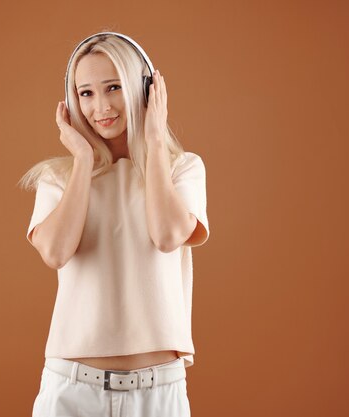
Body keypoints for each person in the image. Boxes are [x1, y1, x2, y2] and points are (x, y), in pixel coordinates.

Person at [18, 31, 210, 417]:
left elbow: (168, 234)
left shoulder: (182, 169)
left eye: (114, 87)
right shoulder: (58, 178)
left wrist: (155, 141)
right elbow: (55, 252)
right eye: (85, 93)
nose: (100, 106)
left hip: (159, 394)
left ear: (146, 89)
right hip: (72, 391)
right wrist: (84, 162)